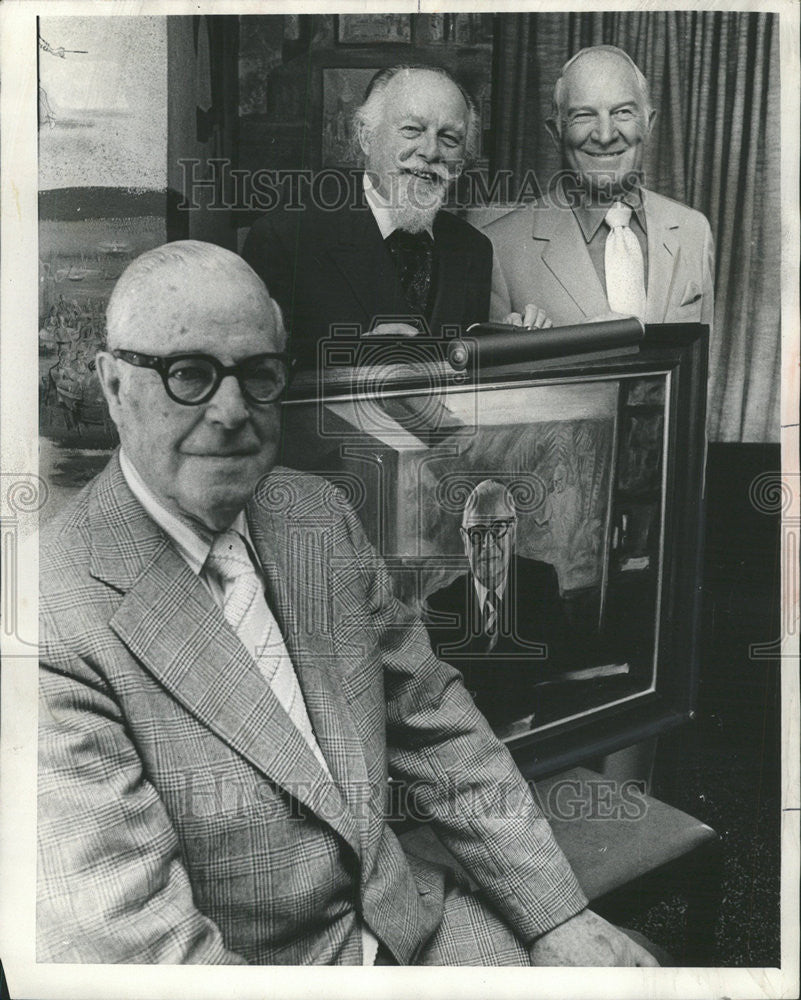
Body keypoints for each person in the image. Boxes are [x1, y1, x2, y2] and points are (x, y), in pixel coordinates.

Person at [38, 240, 658, 967]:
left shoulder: (316, 516)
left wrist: (557, 917)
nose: (232, 411)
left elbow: (437, 728)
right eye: (190, 375)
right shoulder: (49, 621)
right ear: (114, 385)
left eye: (259, 373)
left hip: (415, 925)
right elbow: (147, 958)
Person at [242, 65, 493, 369]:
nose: (430, 151)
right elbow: (255, 369)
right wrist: (357, 353)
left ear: (462, 160)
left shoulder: (474, 249)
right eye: (411, 129)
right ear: (366, 137)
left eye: (450, 138)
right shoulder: (284, 238)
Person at [485, 46, 715, 330]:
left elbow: (696, 366)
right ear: (556, 132)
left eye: (622, 112)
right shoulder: (498, 247)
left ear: (649, 124)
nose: (605, 135)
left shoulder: (695, 231)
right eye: (583, 115)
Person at [424, 481, 570, 735]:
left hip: (531, 732)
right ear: (464, 538)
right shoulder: (440, 606)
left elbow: (554, 661)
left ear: (513, 531)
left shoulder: (540, 581)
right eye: (477, 532)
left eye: (499, 529)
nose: (488, 544)